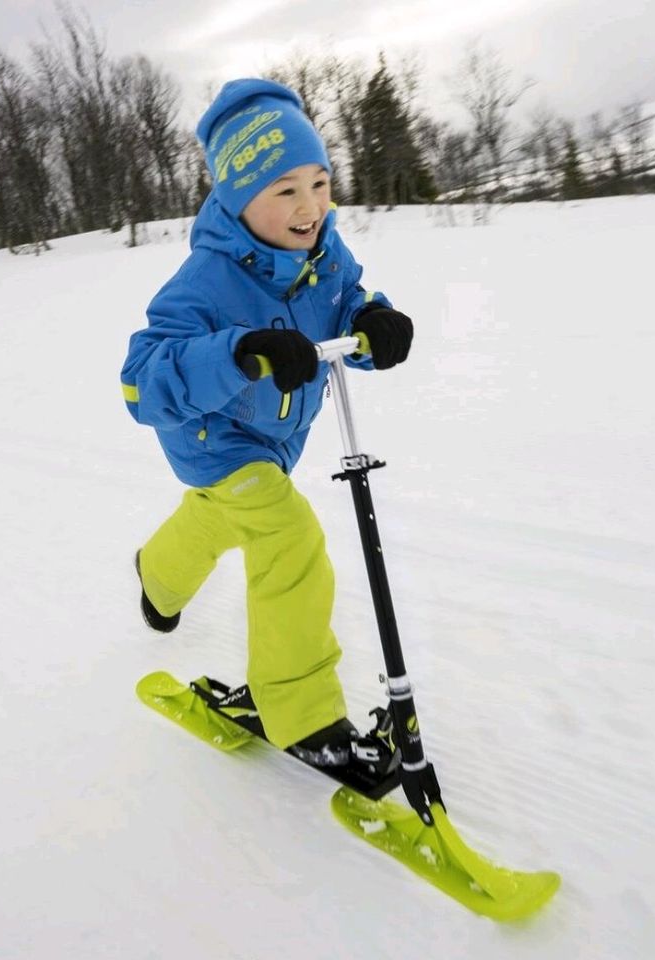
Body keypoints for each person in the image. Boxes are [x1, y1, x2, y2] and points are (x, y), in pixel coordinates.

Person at [121, 78, 413, 766]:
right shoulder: (204, 281)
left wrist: (373, 318)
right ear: (235, 197)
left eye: (319, 182)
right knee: (287, 535)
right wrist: (241, 352)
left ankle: (157, 574)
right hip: (211, 437)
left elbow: (347, 301)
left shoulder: (324, 257)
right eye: (284, 190)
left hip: (274, 436)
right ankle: (299, 713)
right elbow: (143, 383)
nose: (310, 206)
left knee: (226, 516)